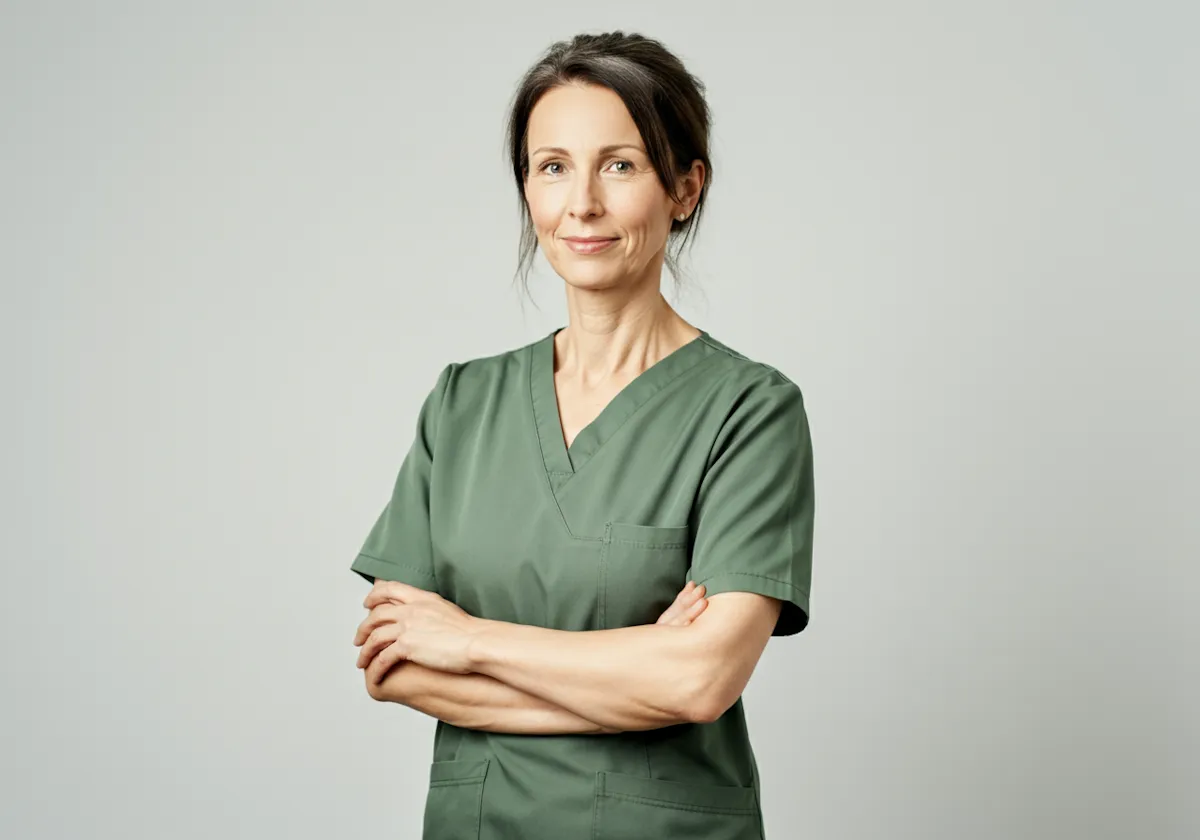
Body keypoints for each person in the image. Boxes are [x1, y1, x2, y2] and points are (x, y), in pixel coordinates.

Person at [350, 31, 815, 840]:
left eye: (621, 164)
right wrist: (636, 669)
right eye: (552, 166)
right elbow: (396, 664)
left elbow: (702, 681)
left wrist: (468, 640)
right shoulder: (464, 403)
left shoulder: (749, 410)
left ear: (685, 187)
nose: (582, 204)